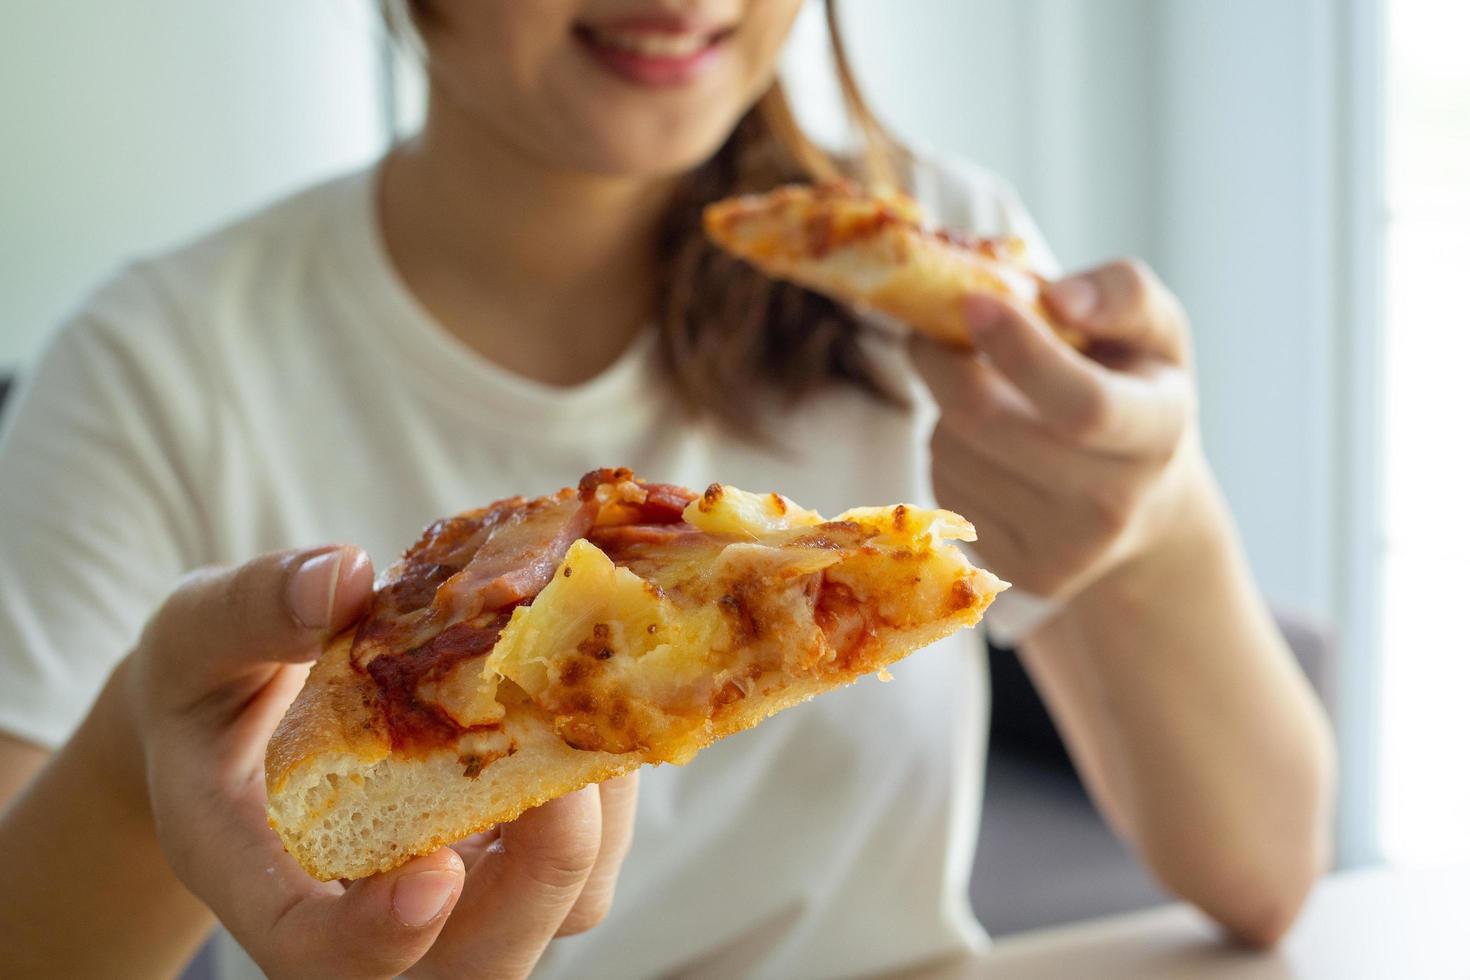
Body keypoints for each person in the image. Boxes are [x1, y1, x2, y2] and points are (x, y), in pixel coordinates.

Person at [0, 2, 1335, 977]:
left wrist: (1149, 527)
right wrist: (140, 769)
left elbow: (1265, 877)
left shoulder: (926, 256)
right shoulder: (153, 366)